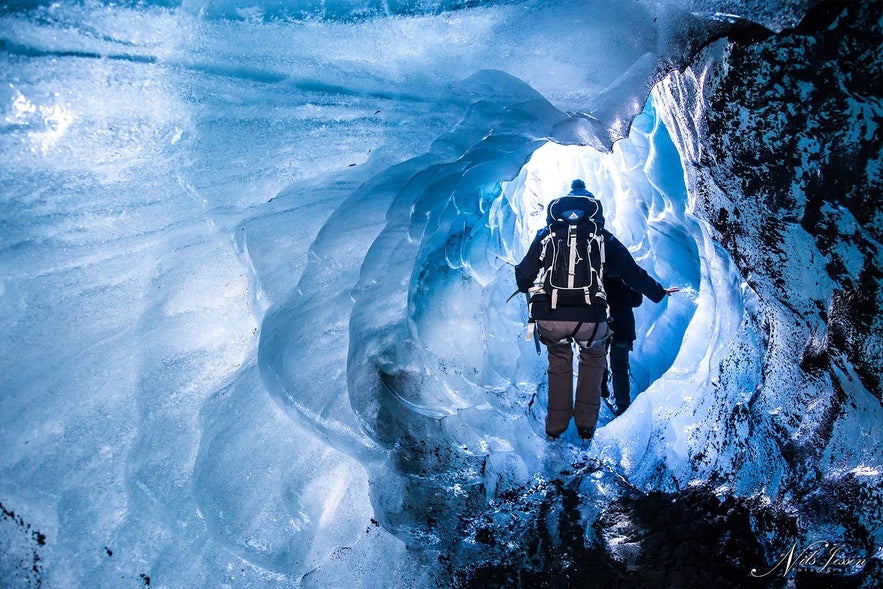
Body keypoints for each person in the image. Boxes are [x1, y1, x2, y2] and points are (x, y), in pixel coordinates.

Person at [514, 179, 677, 441]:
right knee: (592, 360)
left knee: (559, 362)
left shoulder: (546, 235)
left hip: (551, 316)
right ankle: (586, 426)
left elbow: (523, 276)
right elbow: (632, 274)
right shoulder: (602, 238)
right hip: (590, 318)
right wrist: (658, 292)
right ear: (593, 209)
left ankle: (555, 426)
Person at [601, 269, 645, 416]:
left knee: (598, 360)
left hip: (602, 325)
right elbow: (637, 301)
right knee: (619, 368)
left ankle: (601, 391)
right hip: (623, 327)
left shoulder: (598, 273)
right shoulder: (626, 275)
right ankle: (623, 405)